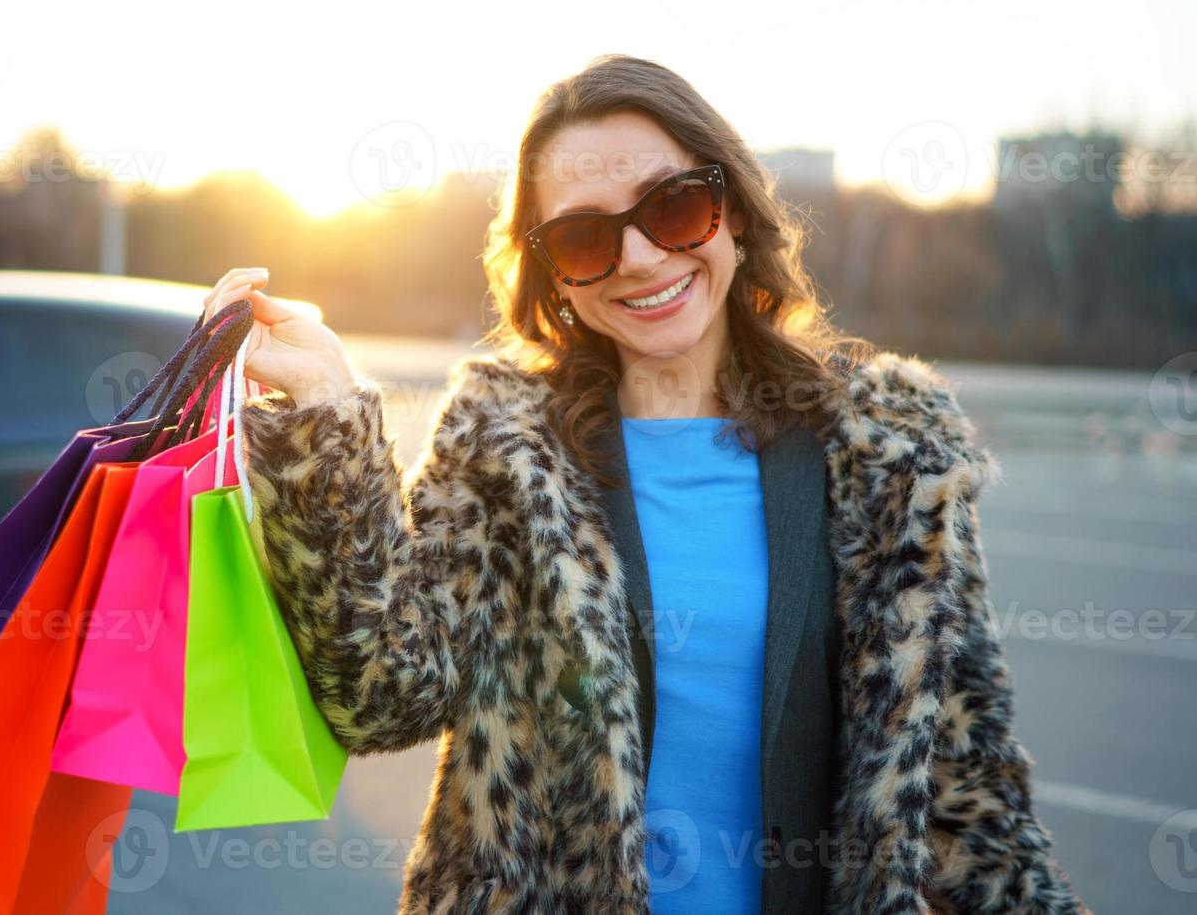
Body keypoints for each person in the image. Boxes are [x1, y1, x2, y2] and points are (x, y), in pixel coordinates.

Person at [202, 54, 1086, 914]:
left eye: (676, 206)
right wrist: (325, 415)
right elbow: (383, 700)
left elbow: (973, 811)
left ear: (734, 212)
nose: (637, 257)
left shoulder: (894, 457)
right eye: (584, 234)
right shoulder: (504, 449)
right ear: (552, 272)